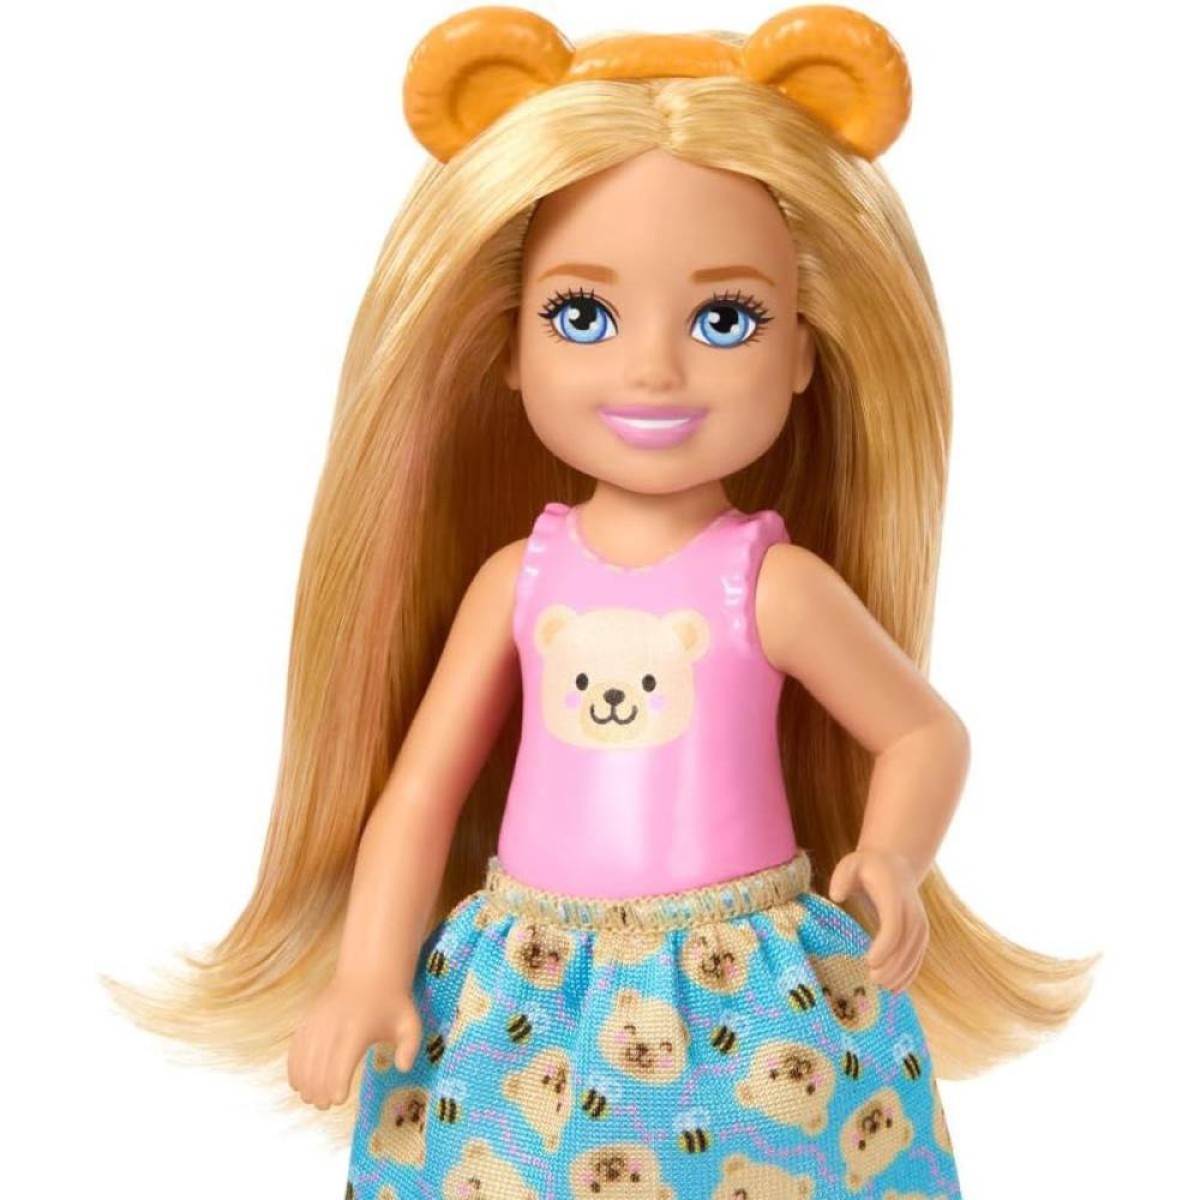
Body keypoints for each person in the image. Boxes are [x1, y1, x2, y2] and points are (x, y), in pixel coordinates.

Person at [103, 6, 1099, 1196]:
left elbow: (923, 732)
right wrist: (367, 967)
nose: (652, 369)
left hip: (749, 1001)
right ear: (509, 346)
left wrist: (892, 854)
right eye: (583, 316)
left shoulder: (765, 583)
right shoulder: (521, 580)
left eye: (726, 319)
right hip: (528, 992)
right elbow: (419, 792)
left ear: (803, 352)